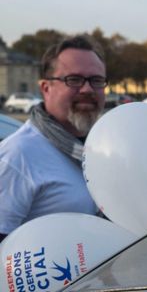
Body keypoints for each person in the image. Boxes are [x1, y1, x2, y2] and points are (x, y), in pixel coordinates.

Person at [0, 35, 107, 242]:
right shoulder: (17, 156)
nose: (87, 89)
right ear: (45, 89)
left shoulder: (102, 151)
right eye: (74, 80)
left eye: (96, 80)